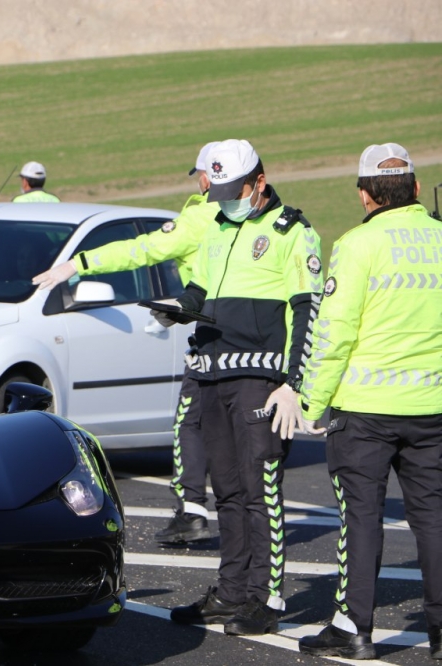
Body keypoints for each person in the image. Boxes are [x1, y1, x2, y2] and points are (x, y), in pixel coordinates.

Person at [165, 139, 323, 636]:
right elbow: (202, 291)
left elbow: (308, 309)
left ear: (259, 181)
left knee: (261, 492)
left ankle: (267, 598)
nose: (225, 200)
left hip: (260, 380)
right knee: (229, 491)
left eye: (234, 190)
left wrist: (295, 383)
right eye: (220, 191)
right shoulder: (215, 225)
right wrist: (178, 308)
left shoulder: (293, 232)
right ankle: (231, 592)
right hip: (212, 372)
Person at [32, 141, 221, 544]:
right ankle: (242, 522)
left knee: (190, 422)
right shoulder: (270, 222)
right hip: (258, 339)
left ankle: (192, 511)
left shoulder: (199, 220)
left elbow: (141, 250)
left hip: (212, 336)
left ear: (206, 178)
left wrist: (78, 264)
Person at [295, 144, 442, 660]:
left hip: (365, 409)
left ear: (363, 195)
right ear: (417, 188)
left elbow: (333, 334)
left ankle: (355, 629)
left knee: (361, 518)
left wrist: (312, 405)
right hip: (432, 403)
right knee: (433, 518)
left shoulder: (357, 245)